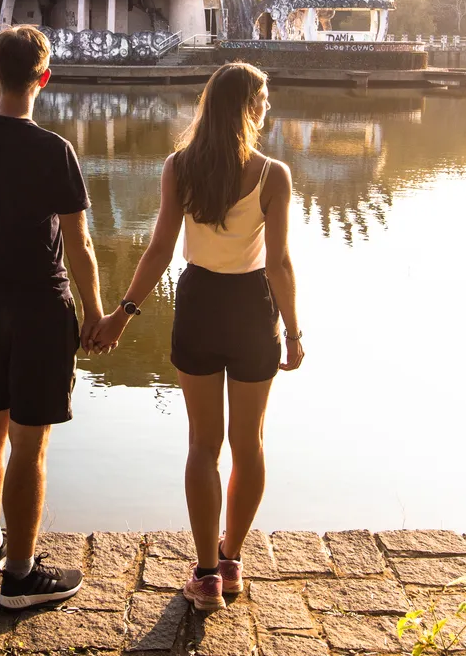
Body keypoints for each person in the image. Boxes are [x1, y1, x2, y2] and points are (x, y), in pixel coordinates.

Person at [88, 62, 304, 611]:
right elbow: (278, 264)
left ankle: (206, 573)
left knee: (202, 445)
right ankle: (231, 561)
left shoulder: (179, 167)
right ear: (250, 107)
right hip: (253, 307)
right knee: (248, 441)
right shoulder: (272, 174)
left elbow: (160, 248)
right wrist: (296, 332)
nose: (269, 106)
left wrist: (121, 314)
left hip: (200, 303)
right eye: (265, 98)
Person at [0, 25, 103, 610]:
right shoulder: (54, 149)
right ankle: (22, 577)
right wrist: (97, 311)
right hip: (39, 303)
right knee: (30, 445)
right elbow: (79, 245)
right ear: (44, 78)